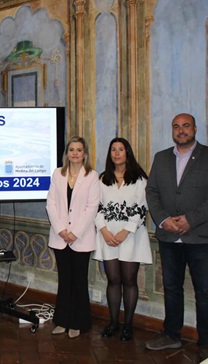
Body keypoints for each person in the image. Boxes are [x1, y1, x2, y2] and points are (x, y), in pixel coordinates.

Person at [145, 113, 208, 360]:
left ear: (195, 128)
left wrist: (191, 219)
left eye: (185, 126)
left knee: (204, 292)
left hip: (200, 237)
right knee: (171, 288)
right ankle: (171, 335)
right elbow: (152, 192)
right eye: (176, 126)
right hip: (169, 237)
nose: (181, 130)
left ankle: (206, 342)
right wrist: (163, 219)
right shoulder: (161, 158)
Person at [94, 137, 152, 342]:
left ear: (128, 152)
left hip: (131, 237)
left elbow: (141, 208)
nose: (117, 153)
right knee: (113, 280)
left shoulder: (139, 179)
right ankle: (113, 323)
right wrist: (104, 230)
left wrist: (125, 231)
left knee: (129, 281)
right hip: (107, 236)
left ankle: (128, 325)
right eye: (113, 150)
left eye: (121, 149)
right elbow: (96, 207)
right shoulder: (102, 178)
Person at [46, 136, 100, 339]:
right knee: (64, 280)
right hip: (60, 237)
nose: (75, 153)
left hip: (81, 238)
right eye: (71, 150)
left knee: (79, 280)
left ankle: (78, 323)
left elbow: (92, 207)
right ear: (66, 153)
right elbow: (50, 203)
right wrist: (61, 230)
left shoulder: (92, 176)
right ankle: (62, 321)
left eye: (79, 150)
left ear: (85, 154)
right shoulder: (57, 175)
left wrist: (75, 233)